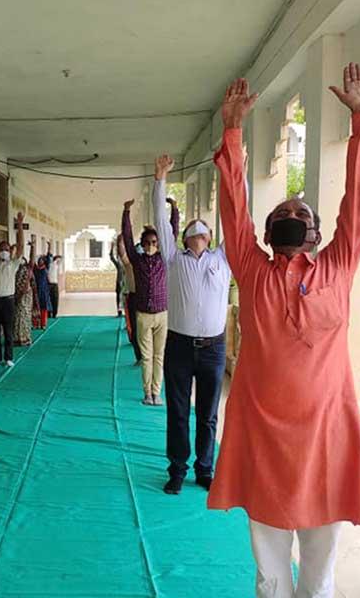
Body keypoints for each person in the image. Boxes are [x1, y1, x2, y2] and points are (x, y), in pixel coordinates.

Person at [207, 66, 360, 597]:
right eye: (282, 211)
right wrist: (232, 131)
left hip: (326, 435)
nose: (290, 214)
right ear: (266, 232)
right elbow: (234, 208)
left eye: (300, 212)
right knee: (270, 573)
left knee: (320, 574)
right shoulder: (253, 269)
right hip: (263, 435)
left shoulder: (337, 264)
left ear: (318, 231)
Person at [150, 154, 231, 495]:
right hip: (179, 345)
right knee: (178, 411)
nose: (197, 228)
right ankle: (178, 469)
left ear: (210, 236)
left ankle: (205, 468)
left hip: (213, 348)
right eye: (191, 227)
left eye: (203, 227)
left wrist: (231, 173)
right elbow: (159, 217)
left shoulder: (223, 259)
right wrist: (160, 180)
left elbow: (237, 216)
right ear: (183, 236)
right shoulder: (173, 259)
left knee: (208, 414)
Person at [121, 200, 171, 406]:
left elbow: (173, 233)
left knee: (160, 356)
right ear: (142, 245)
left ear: (159, 244)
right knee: (147, 356)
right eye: (147, 242)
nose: (150, 246)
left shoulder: (164, 260)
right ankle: (147, 393)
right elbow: (126, 236)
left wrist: (174, 210)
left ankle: (157, 392)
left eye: (154, 242)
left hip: (162, 314)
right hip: (143, 314)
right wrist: (126, 212)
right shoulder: (137, 260)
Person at [0, 211, 26, 367]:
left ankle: (9, 358)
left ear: (10, 252)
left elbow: (21, 246)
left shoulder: (13, 264)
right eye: (1, 248)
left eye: (6, 249)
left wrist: (20, 225)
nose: (4, 250)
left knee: (8, 331)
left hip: (8, 301)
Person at [117, 234, 143, 363]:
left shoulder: (150, 263)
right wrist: (121, 239)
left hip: (148, 299)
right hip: (133, 298)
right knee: (135, 329)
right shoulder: (129, 264)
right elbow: (122, 253)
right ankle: (139, 356)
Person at [13, 238, 37, 345]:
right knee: (17, 316)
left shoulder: (28, 268)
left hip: (26, 295)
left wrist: (32, 247)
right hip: (15, 294)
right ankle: (17, 338)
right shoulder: (14, 267)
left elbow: (32, 261)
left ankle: (25, 338)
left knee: (25, 315)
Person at [33, 249, 53, 329]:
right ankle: (36, 324)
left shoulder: (45, 268)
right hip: (36, 290)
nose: (40, 261)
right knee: (36, 308)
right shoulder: (36, 268)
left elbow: (48, 259)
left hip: (44, 290)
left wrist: (49, 248)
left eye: (41, 260)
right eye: (39, 260)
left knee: (44, 308)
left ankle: (43, 324)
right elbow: (32, 261)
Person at [109, 239, 126, 317]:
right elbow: (111, 257)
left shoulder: (128, 264)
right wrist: (112, 248)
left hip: (126, 284)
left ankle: (126, 313)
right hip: (119, 282)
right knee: (118, 297)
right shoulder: (119, 264)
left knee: (125, 298)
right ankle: (119, 312)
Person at [46, 244, 62, 318]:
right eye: (58, 259)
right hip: (48, 284)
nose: (59, 261)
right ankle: (49, 313)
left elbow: (60, 259)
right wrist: (49, 246)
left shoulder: (56, 265)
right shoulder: (49, 264)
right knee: (48, 300)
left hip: (54, 284)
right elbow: (49, 255)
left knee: (55, 299)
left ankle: (54, 314)